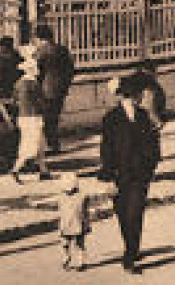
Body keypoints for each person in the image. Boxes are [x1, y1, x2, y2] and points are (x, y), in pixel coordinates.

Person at [99, 74, 162, 273]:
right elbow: (106, 148)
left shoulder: (144, 116)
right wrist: (108, 175)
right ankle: (131, 247)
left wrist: (150, 165)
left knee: (135, 213)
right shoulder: (111, 118)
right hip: (119, 174)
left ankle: (129, 256)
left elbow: (153, 143)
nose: (136, 99)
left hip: (139, 175)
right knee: (122, 214)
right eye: (134, 96)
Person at [10, 49, 53, 182]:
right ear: (30, 70)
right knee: (32, 146)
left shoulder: (18, 84)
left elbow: (15, 101)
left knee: (39, 144)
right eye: (35, 68)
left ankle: (44, 171)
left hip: (23, 118)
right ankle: (16, 169)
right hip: (33, 118)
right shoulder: (34, 84)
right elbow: (41, 102)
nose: (38, 71)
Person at [33, 25, 75, 155]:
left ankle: (52, 146)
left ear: (39, 38)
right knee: (54, 118)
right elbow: (70, 70)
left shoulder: (41, 52)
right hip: (60, 90)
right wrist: (65, 85)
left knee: (47, 119)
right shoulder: (62, 50)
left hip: (46, 91)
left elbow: (36, 71)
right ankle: (54, 144)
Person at [56, 171, 90, 271]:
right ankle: (66, 258)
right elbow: (51, 203)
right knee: (65, 243)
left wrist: (86, 222)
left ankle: (81, 262)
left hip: (78, 223)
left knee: (79, 244)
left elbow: (86, 209)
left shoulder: (82, 195)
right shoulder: (60, 196)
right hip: (65, 224)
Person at [0, 36, 23, 101]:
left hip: (4, 90)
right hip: (11, 89)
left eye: (2, 46)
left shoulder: (1, 59)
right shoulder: (18, 58)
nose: (0, 48)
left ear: (6, 47)